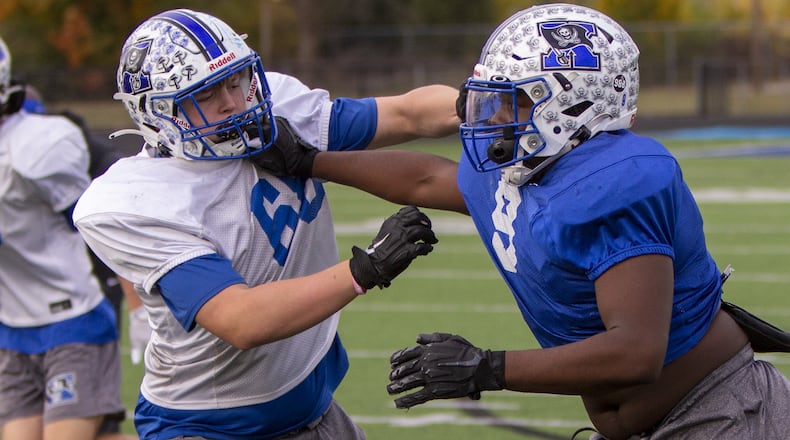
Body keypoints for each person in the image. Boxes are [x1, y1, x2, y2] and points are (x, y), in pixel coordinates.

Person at [253, 4, 790, 439]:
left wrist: (487, 367)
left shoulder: (614, 183)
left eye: (513, 103)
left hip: (720, 413)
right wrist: (311, 161)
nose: (494, 118)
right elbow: (428, 179)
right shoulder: (531, 167)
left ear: (572, 107)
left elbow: (636, 353)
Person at [72, 8, 455, 439]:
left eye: (234, 80)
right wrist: (364, 268)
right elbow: (242, 320)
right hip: (209, 424)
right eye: (207, 94)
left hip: (310, 406)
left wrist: (480, 103)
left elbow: (407, 114)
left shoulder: (278, 112)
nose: (233, 102)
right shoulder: (139, 200)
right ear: (159, 114)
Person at [0, 36, 137, 439]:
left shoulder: (33, 149)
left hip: (71, 320)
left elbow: (100, 228)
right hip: (12, 327)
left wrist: (139, 306)